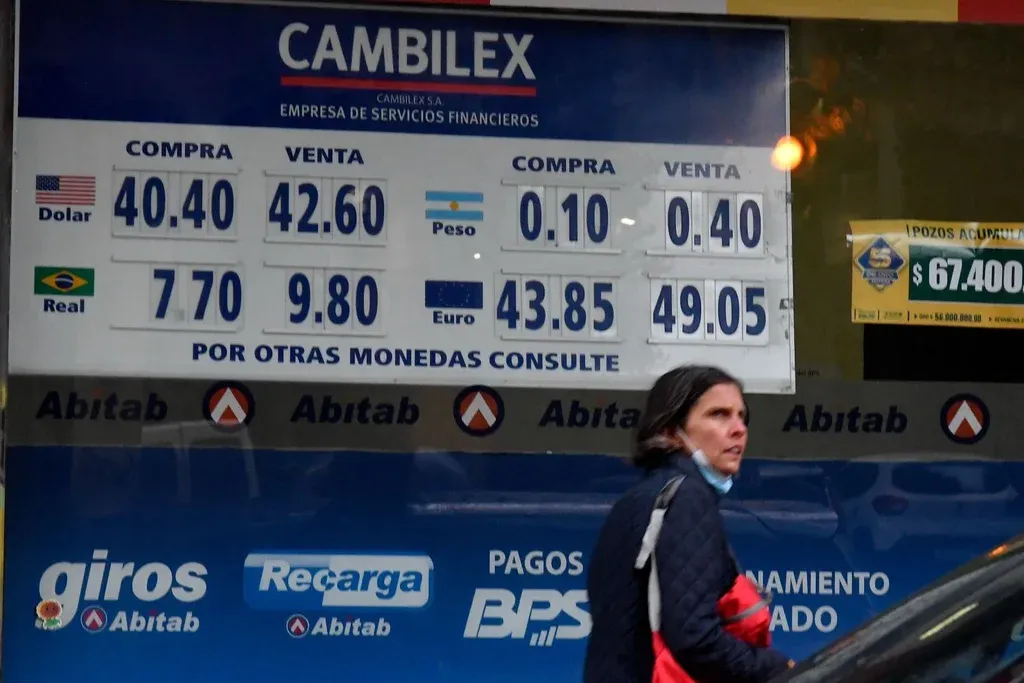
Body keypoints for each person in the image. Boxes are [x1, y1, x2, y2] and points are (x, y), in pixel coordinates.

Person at [584, 365, 793, 683]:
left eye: (742, 416)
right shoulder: (687, 498)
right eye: (719, 414)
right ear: (670, 431)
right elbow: (694, 636)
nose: (738, 429)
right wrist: (776, 668)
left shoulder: (638, 499)